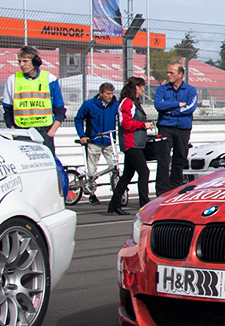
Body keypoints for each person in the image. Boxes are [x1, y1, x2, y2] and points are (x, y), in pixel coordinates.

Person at [1, 46, 67, 153]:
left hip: (44, 132)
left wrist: (51, 132)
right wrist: (13, 131)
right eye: (19, 61)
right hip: (22, 133)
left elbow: (59, 109)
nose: (21, 64)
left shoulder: (49, 79)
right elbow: (7, 110)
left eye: (25, 61)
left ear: (35, 61)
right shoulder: (12, 80)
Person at [109, 77, 153, 215]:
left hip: (136, 142)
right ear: (136, 88)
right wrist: (143, 125)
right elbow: (126, 124)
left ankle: (114, 205)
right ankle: (144, 204)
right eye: (142, 87)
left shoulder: (134, 102)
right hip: (131, 143)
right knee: (144, 172)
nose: (143, 90)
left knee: (128, 174)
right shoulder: (127, 103)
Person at [153, 62, 197, 193]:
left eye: (171, 73)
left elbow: (190, 107)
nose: (168, 75)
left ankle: (176, 188)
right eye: (168, 72)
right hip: (165, 127)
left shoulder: (190, 90)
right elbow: (158, 105)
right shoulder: (162, 89)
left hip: (183, 128)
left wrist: (172, 111)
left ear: (180, 74)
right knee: (163, 159)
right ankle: (162, 190)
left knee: (180, 158)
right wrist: (178, 104)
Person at [74, 82, 119, 204]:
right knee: (92, 167)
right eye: (107, 94)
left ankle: (117, 191)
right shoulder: (89, 104)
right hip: (94, 140)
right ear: (101, 93)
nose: (110, 96)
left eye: (111, 93)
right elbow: (78, 119)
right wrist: (82, 135)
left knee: (114, 167)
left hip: (109, 141)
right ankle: (91, 192)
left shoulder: (115, 105)